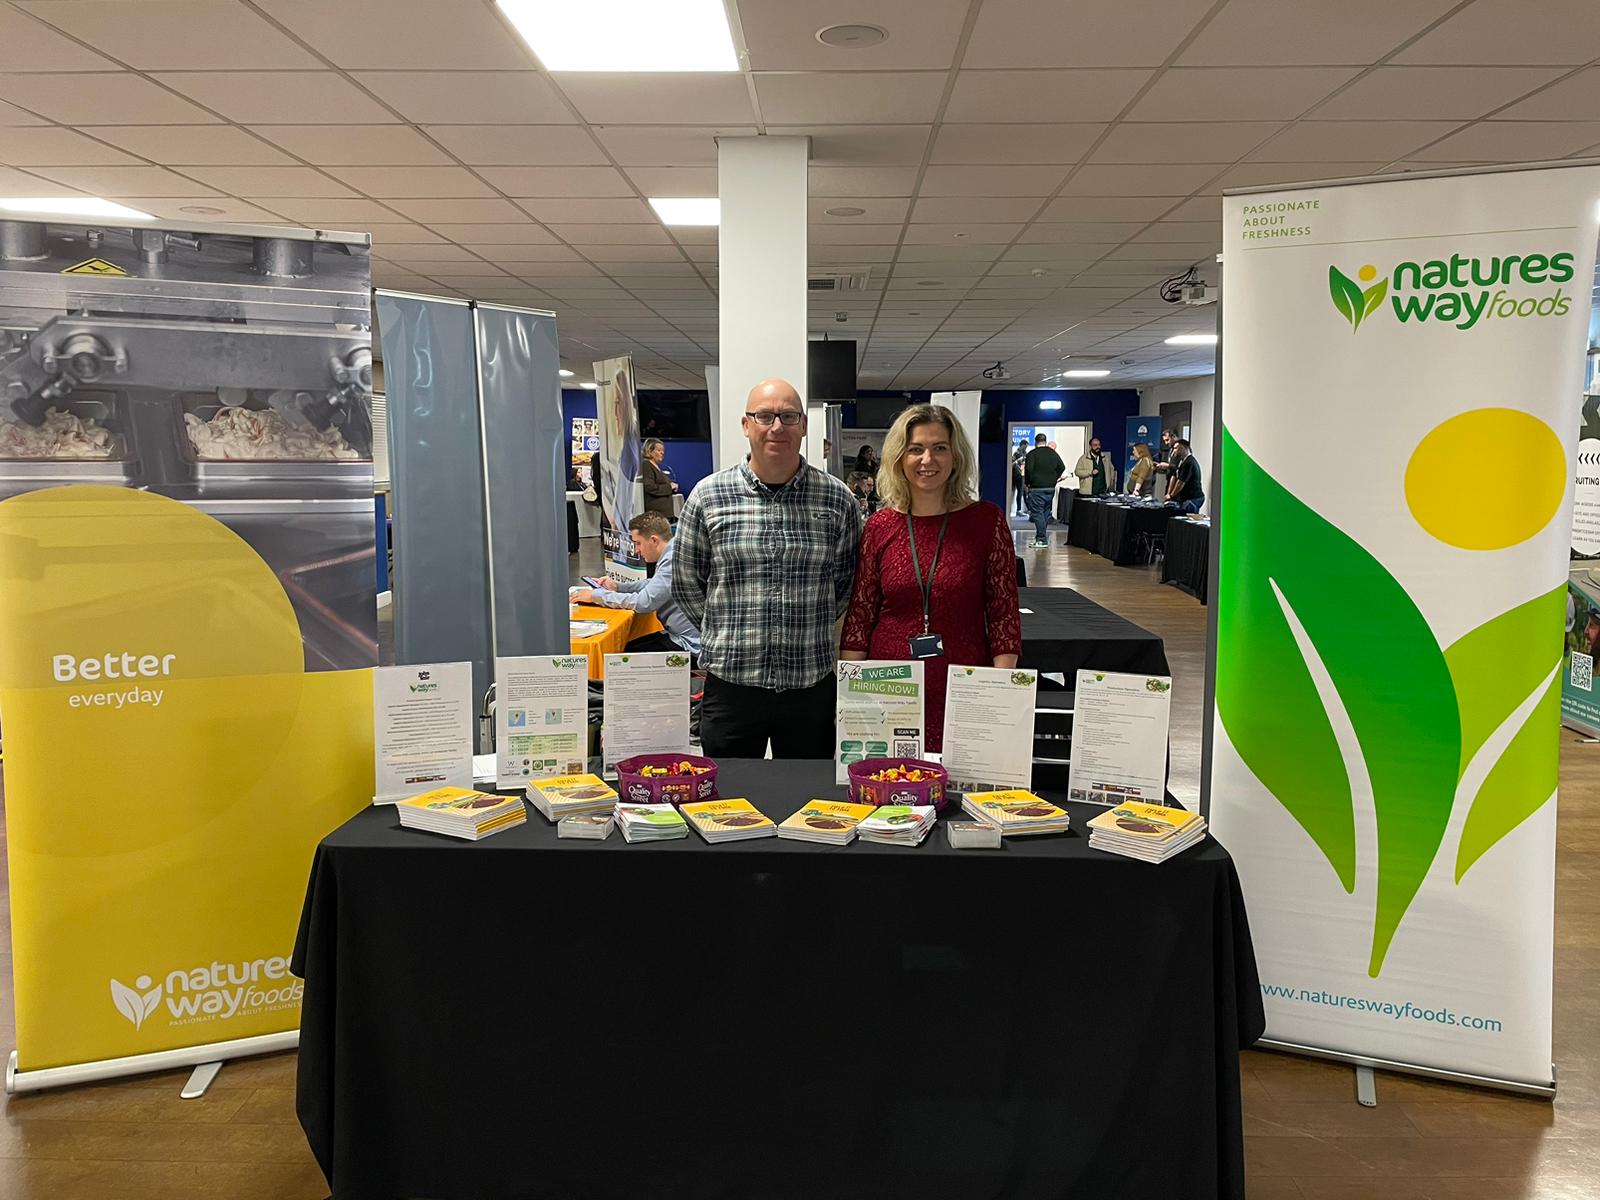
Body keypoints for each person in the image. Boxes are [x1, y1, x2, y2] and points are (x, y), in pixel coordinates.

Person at [673, 378, 863, 758]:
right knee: (728, 792)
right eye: (764, 416)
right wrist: (728, 630)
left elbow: (846, 582)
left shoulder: (837, 498)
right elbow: (686, 582)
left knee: (808, 792)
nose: (777, 427)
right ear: (746, 425)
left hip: (810, 686)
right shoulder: (708, 496)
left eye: (789, 417)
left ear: (804, 426)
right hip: (731, 685)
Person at [841, 405, 1021, 753]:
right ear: (899, 458)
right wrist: (848, 697)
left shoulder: (986, 522)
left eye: (940, 448)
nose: (928, 460)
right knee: (891, 781)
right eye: (916, 449)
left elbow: (1003, 614)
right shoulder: (880, 526)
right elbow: (860, 616)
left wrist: (1000, 691)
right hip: (887, 690)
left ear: (956, 457)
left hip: (964, 686)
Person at [571, 511, 700, 655]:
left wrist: (596, 596)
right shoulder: (675, 552)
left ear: (654, 540)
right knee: (626, 648)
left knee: (621, 656)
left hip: (689, 644)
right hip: (684, 636)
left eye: (638, 543)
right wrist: (618, 587)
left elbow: (643, 603)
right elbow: (654, 584)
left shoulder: (672, 561)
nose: (637, 550)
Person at [1022, 432, 1065, 548]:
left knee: (1037, 514)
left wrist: (1028, 483)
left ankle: (1041, 540)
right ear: (1045, 441)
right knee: (1045, 513)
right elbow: (1062, 467)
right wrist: (1054, 478)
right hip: (1050, 488)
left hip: (1036, 488)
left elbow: (1028, 470)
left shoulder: (1032, 454)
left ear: (1035, 442)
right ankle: (1040, 538)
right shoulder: (1053, 453)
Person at [640, 437, 678, 519]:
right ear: (650, 451)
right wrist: (669, 487)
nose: (662, 453)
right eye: (659, 450)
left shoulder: (657, 467)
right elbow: (649, 487)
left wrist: (672, 486)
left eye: (663, 450)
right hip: (656, 516)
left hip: (664, 515)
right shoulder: (646, 465)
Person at [1167, 439, 1205, 514]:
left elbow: (1180, 483)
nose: (1174, 451)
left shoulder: (1189, 462)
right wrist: (1169, 494)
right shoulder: (1180, 461)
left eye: (1176, 448)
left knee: (1188, 518)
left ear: (1183, 448)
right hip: (1186, 498)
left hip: (1193, 498)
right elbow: (1174, 477)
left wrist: (1171, 496)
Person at [1011, 439, 1029, 515]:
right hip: (1017, 475)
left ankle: (1027, 509)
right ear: (1022, 445)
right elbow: (1012, 463)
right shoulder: (1017, 453)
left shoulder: (1025, 453)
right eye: (1025, 446)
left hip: (1023, 474)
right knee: (1020, 492)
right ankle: (1018, 510)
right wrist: (1018, 460)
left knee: (1024, 492)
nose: (1026, 447)